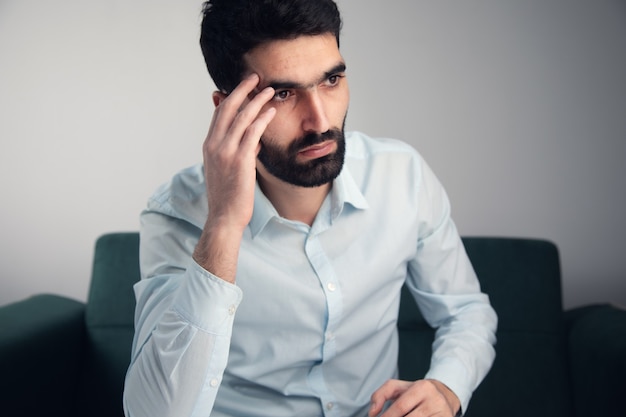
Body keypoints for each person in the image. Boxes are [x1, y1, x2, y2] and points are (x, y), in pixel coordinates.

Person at [123, 1, 497, 416]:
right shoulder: (176, 214)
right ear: (228, 109)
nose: (319, 121)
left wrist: (447, 387)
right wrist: (224, 225)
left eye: (331, 79)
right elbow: (154, 411)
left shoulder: (402, 176)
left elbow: (466, 312)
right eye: (283, 93)